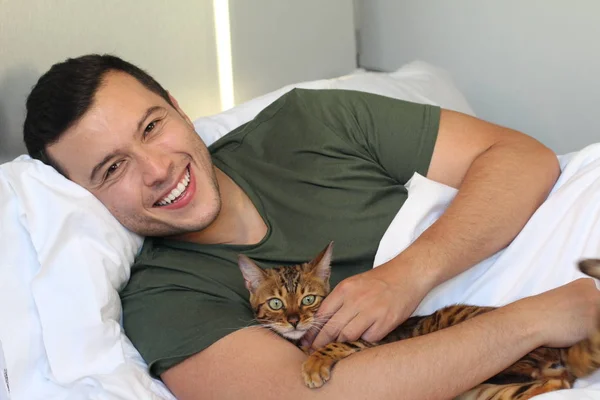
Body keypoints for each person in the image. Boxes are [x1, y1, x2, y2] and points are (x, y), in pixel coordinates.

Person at [23, 54, 599, 400]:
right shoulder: (165, 297)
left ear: (177, 107)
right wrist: (530, 320)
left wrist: (408, 275)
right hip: (543, 320)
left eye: (152, 126)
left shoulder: (308, 121)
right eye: (113, 168)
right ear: (81, 196)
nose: (157, 170)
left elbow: (524, 159)